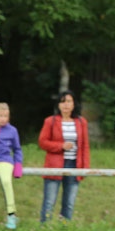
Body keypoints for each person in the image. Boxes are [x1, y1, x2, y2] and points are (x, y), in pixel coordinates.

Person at [39, 90, 90, 222]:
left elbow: (84, 146)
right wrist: (60, 146)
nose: (66, 105)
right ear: (58, 105)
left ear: (74, 104)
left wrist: (85, 167)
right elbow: (42, 142)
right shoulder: (50, 121)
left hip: (74, 165)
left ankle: (64, 228)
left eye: (68, 101)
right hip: (54, 165)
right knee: (49, 201)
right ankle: (45, 227)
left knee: (69, 202)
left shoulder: (81, 122)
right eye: (62, 102)